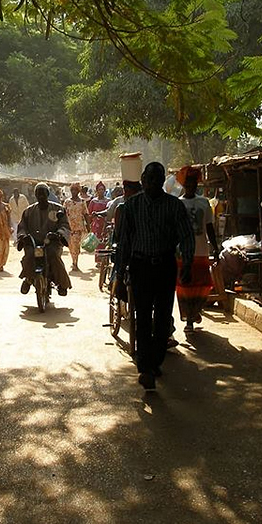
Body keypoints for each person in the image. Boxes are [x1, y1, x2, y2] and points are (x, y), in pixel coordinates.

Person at [116, 162, 195, 391]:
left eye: (156, 180)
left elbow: (186, 236)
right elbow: (124, 243)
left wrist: (187, 264)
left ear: (162, 181)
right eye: (148, 180)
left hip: (164, 266)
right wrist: (120, 276)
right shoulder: (131, 206)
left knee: (162, 318)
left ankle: (155, 360)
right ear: (142, 180)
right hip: (140, 266)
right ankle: (146, 367)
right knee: (141, 317)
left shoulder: (174, 206)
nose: (151, 184)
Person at [176, 166, 220, 333]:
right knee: (184, 287)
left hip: (201, 251)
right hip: (182, 252)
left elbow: (209, 227)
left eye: (193, 183)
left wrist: (215, 249)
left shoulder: (204, 203)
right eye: (188, 183)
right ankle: (189, 320)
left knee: (203, 285)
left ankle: (195, 311)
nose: (191, 186)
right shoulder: (178, 204)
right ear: (183, 185)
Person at [17, 183, 72, 296]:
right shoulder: (28, 211)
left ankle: (62, 284)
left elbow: (64, 225)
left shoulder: (58, 209)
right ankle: (28, 278)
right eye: (38, 194)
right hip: (33, 242)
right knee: (29, 256)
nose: (41, 196)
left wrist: (59, 234)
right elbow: (22, 227)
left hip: (52, 242)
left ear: (48, 194)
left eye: (43, 193)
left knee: (54, 255)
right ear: (35, 195)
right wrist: (23, 237)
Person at [64, 182, 90, 271]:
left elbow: (86, 214)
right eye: (72, 190)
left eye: (75, 190)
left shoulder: (82, 202)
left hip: (78, 228)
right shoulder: (67, 202)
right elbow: (63, 213)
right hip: (69, 228)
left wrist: (88, 227)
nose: (73, 191)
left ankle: (75, 263)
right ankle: (73, 261)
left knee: (76, 246)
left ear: (78, 191)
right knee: (71, 247)